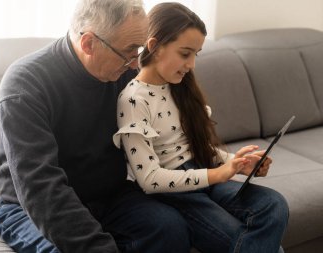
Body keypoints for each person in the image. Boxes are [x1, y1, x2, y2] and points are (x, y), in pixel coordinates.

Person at [0, 1, 196, 252]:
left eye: (140, 48)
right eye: (130, 51)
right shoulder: (25, 86)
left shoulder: (126, 74)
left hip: (110, 197)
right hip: (29, 206)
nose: (136, 64)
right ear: (89, 43)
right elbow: (41, 188)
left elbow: (165, 138)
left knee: (171, 229)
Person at [113, 2, 289, 253]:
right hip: (175, 191)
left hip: (204, 173)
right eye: (185, 53)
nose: (192, 64)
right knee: (266, 248)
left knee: (275, 204)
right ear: (154, 47)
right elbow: (149, 179)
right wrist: (219, 173)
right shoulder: (133, 101)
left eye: (196, 54)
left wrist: (237, 162)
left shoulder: (180, 86)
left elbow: (195, 148)